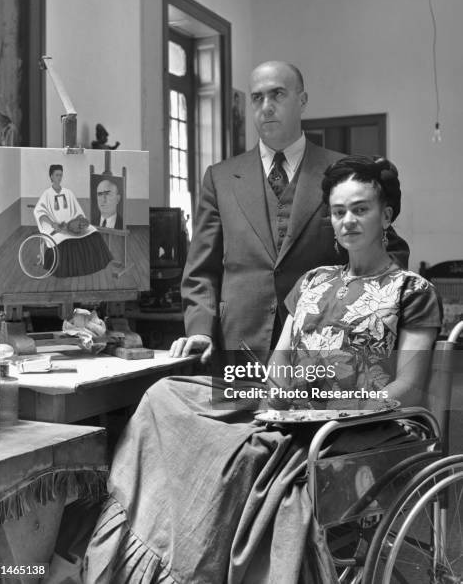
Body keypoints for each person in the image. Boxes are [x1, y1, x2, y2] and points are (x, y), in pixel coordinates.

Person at [83, 155, 441, 584]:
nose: (348, 221)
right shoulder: (314, 282)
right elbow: (281, 360)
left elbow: (410, 389)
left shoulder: (411, 290)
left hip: (359, 424)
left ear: (386, 214)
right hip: (288, 405)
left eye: (360, 209)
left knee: (240, 452)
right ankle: (146, 542)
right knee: (166, 395)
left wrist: (340, 404)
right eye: (339, 211)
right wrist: (280, 390)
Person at [171, 61, 409, 364]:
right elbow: (201, 270)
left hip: (325, 346)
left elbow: (391, 251)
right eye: (257, 98)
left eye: (278, 95)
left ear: (302, 101)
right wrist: (201, 329)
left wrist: (356, 311)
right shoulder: (220, 178)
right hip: (238, 344)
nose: (266, 107)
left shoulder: (343, 172)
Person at [33, 164, 112, 278]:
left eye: (61, 175)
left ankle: (95, 264)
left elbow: (78, 211)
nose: (59, 177)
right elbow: (39, 212)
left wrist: (78, 221)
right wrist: (52, 224)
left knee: (94, 233)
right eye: (57, 175)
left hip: (71, 224)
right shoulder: (47, 194)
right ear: (51, 176)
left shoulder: (68, 192)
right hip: (57, 227)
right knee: (65, 240)